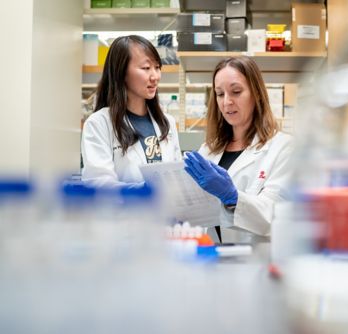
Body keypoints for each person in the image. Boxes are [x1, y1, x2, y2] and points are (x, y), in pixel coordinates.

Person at [184, 56, 293, 244]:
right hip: (210, 259)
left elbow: (275, 215)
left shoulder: (283, 147)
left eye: (236, 91)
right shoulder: (208, 150)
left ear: (257, 93)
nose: (227, 102)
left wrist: (232, 197)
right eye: (219, 94)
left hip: (256, 261)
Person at [81, 35, 182, 187]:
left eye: (157, 67)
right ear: (121, 72)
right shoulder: (99, 124)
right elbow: (99, 185)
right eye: (146, 68)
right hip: (124, 211)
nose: (155, 76)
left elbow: (177, 178)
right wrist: (144, 191)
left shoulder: (167, 122)